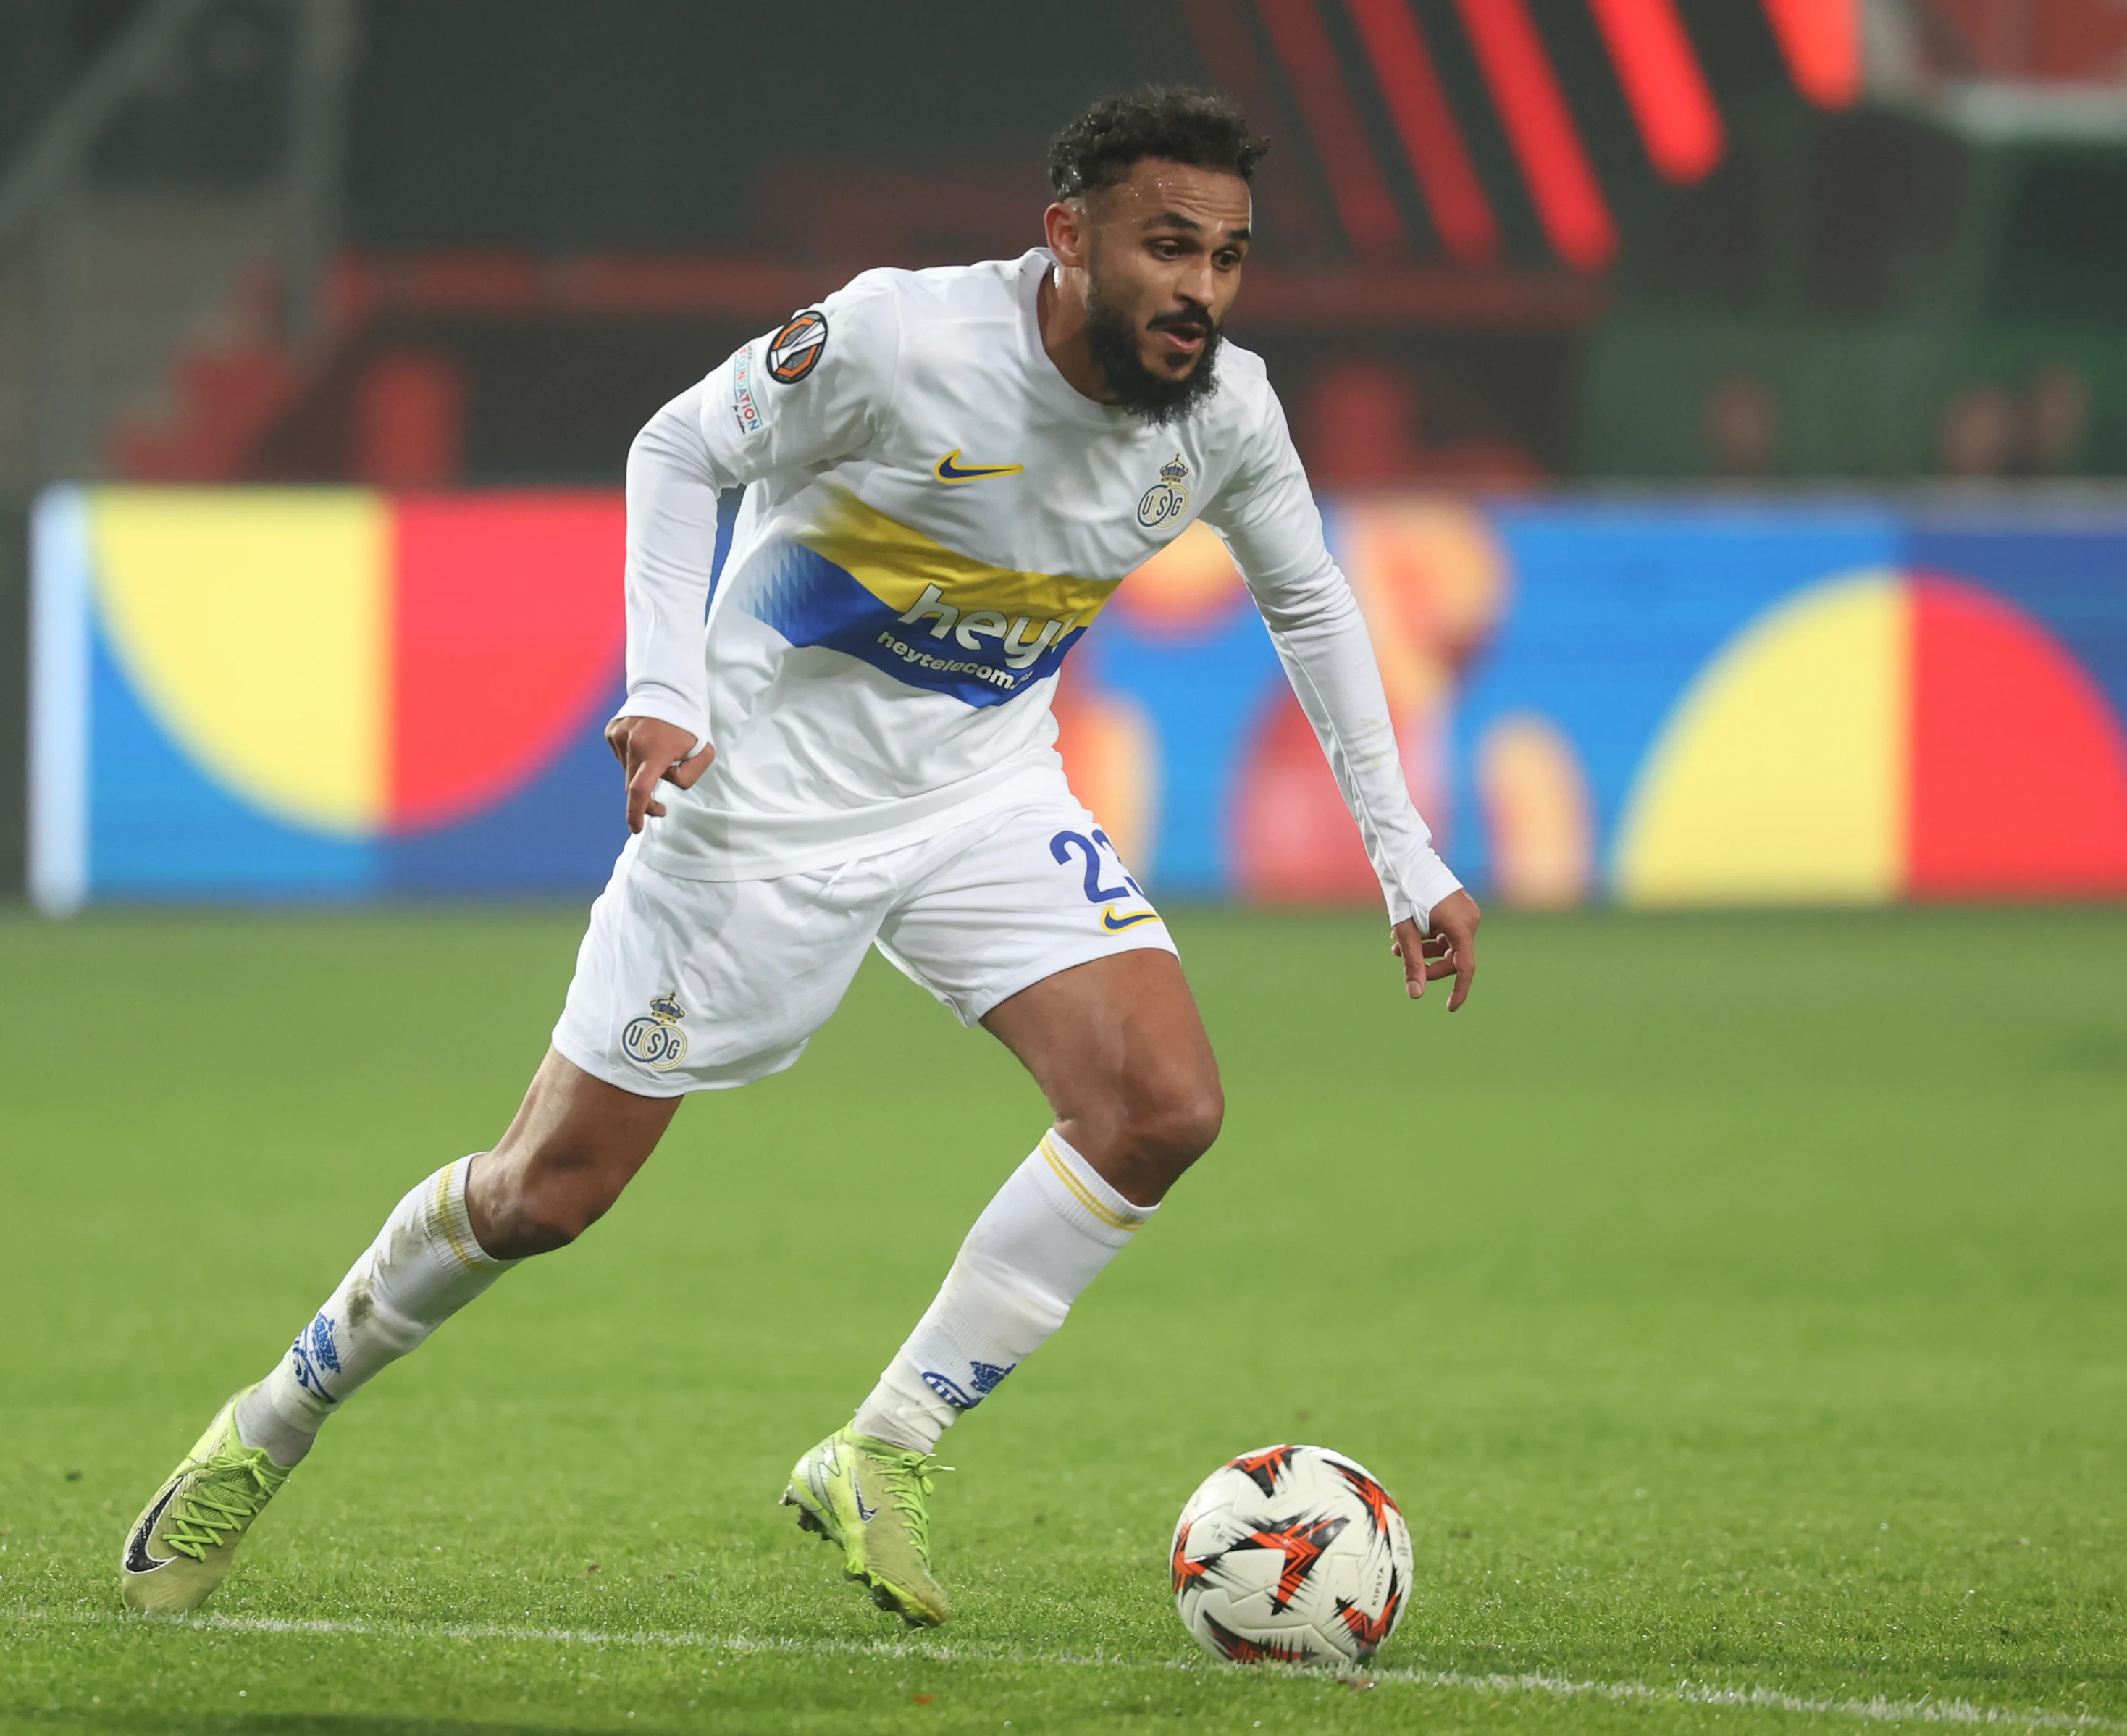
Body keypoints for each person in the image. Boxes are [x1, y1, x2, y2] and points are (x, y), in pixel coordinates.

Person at [118, 85, 1480, 1628]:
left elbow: (1309, 604)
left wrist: (1404, 854)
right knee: (546, 1191)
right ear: (1067, 237)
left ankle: (882, 1449)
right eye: (1170, 250)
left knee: (1162, 1105)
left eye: (1230, 258)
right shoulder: (903, 343)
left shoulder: (1226, 414)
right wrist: (666, 686)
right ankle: (266, 1427)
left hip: (980, 792)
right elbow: (678, 446)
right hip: (758, 805)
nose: (1202, 294)